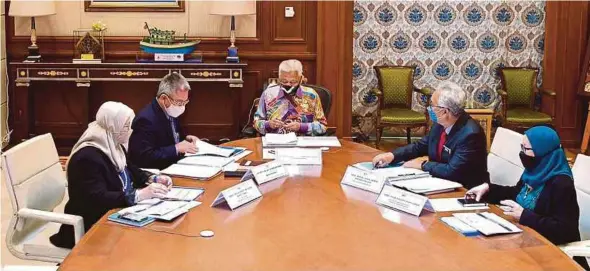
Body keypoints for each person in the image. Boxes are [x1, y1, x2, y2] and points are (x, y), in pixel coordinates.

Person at [50, 102, 173, 249]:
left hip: (116, 215)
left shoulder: (113, 144)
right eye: (127, 126)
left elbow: (129, 169)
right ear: (113, 126)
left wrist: (152, 178)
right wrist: (138, 195)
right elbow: (96, 198)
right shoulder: (86, 158)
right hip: (94, 227)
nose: (130, 130)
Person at [465, 126, 588, 269]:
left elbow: (565, 230)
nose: (521, 153)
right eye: (521, 147)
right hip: (526, 241)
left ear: (543, 151)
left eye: (526, 149)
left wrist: (524, 215)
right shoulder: (534, 170)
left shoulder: (562, 184)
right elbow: (516, 193)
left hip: (553, 254)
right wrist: (488, 189)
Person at [372, 82, 488, 188]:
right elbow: (420, 146)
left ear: (445, 111)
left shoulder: (471, 135)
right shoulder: (440, 123)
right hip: (439, 183)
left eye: (432, 105)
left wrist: (423, 165)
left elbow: (452, 171)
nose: (429, 109)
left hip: (466, 191)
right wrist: (392, 156)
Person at [129, 72, 199, 170]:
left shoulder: (170, 110)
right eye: (179, 102)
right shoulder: (145, 120)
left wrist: (185, 138)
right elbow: (143, 157)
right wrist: (176, 148)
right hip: (157, 172)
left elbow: (171, 137)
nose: (182, 106)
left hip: (174, 165)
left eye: (185, 102)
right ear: (163, 98)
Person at [253, 59, 327, 135]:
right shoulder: (268, 94)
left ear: (301, 79)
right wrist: (268, 124)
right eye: (284, 81)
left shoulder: (311, 95)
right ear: (279, 78)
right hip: (275, 142)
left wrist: (301, 127)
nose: (288, 85)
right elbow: (256, 122)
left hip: (303, 142)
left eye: (293, 82)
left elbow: (323, 126)